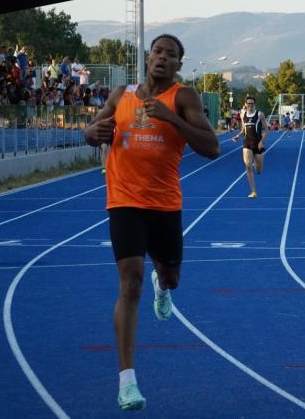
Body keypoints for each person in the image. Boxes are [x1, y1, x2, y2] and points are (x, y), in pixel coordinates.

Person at [83, 34, 220, 411]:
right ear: (147, 57)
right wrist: (90, 134)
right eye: (158, 52)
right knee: (130, 283)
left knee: (170, 276)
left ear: (179, 65)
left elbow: (211, 147)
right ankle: (127, 381)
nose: (162, 58)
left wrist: (172, 119)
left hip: (164, 205)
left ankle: (165, 287)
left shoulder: (184, 97)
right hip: (124, 201)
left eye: (171, 55)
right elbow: (92, 130)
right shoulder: (121, 95)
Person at [232, 96, 268, 198]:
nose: (250, 105)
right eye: (249, 103)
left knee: (259, 170)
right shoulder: (243, 114)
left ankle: (258, 167)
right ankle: (253, 191)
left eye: (252, 103)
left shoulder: (260, 114)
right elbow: (243, 128)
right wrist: (238, 136)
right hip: (247, 142)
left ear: (254, 104)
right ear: (246, 104)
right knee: (248, 164)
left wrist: (261, 141)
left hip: (258, 143)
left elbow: (267, 130)